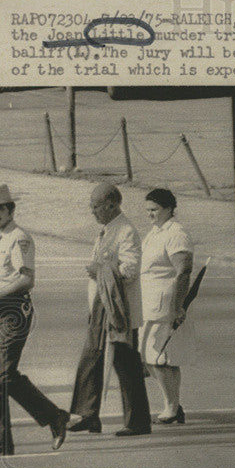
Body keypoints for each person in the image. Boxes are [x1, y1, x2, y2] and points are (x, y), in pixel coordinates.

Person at [0, 184, 69, 456]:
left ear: (10, 209)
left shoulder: (19, 238)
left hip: (12, 312)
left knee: (4, 374)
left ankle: (54, 416)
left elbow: (27, 279)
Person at [68, 182, 152, 437]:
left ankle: (136, 421)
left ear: (112, 204)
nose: (93, 212)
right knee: (94, 359)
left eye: (96, 206)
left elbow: (130, 270)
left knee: (124, 364)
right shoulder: (107, 229)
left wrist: (100, 270)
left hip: (118, 312)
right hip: (101, 308)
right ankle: (89, 414)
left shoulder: (125, 231)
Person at [139, 188, 194, 425]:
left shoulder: (176, 234)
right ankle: (173, 404)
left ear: (169, 209)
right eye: (148, 210)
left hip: (164, 303)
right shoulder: (155, 232)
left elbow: (183, 271)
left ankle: (172, 406)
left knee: (156, 356)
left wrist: (176, 307)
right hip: (149, 302)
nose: (150, 214)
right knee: (159, 357)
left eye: (155, 210)